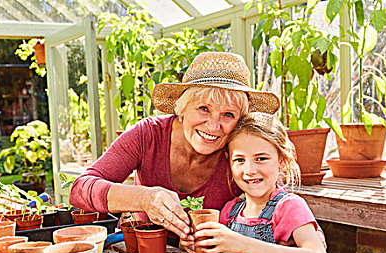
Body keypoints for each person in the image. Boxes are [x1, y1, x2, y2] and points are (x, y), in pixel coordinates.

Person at [69, 52, 279, 240]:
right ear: (183, 107)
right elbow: (79, 189)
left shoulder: (239, 153)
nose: (214, 126)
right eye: (204, 108)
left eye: (228, 114)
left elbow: (276, 203)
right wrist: (144, 198)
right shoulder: (148, 135)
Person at [192, 112, 330, 253]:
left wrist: (242, 244)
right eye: (239, 160)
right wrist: (198, 247)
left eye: (261, 158)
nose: (249, 170)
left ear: (281, 159)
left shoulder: (289, 207)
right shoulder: (230, 211)